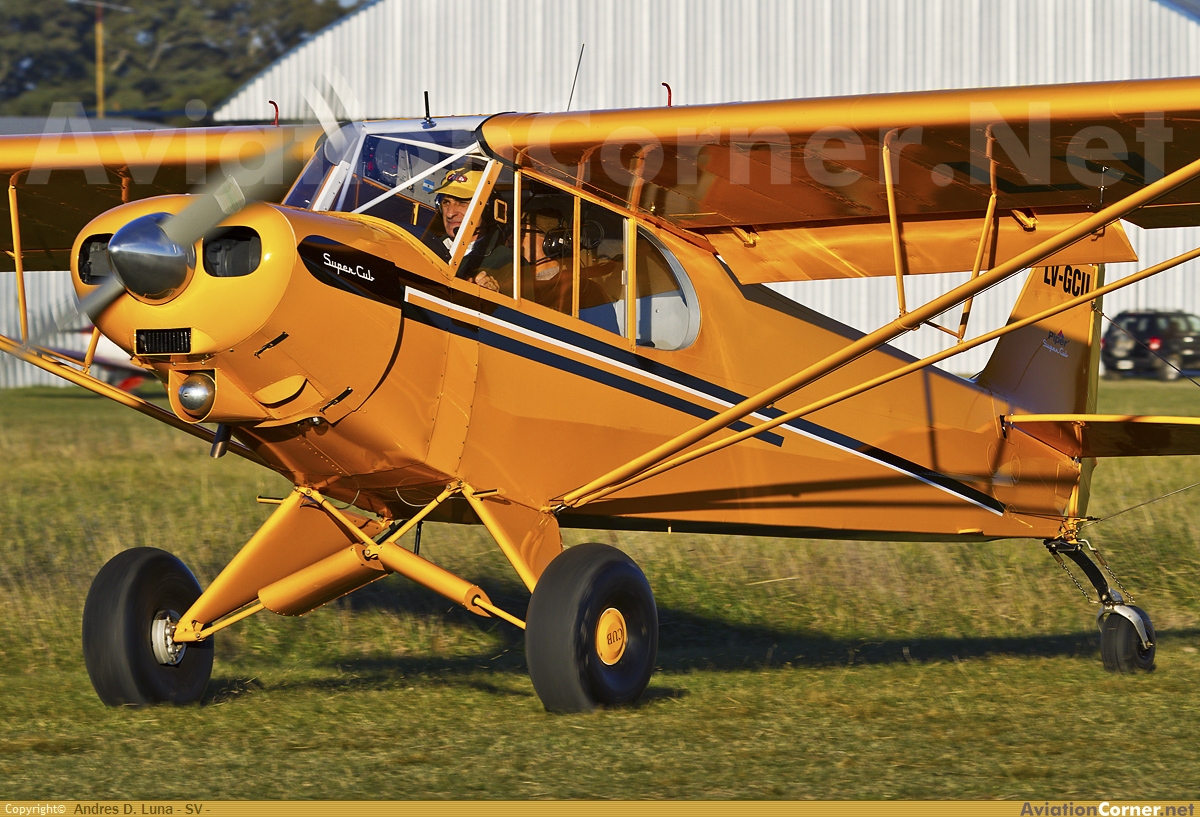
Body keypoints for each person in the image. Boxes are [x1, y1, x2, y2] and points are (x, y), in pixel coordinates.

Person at [430, 167, 511, 292]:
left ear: (487, 210)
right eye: (446, 202)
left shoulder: (509, 262)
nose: (450, 213)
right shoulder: (427, 249)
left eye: (462, 202)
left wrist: (492, 296)